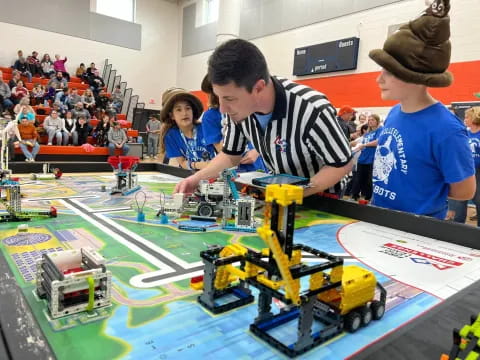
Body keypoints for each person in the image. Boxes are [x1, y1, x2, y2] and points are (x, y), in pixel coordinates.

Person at [175, 39, 352, 196]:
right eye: (219, 97)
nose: (222, 108)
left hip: (324, 198)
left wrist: (297, 193)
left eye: (229, 98)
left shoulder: (312, 109)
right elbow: (231, 155)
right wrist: (196, 179)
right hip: (278, 193)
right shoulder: (237, 110)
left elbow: (342, 164)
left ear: (258, 88)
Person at [368, 0, 475, 219]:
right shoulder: (395, 113)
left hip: (415, 228)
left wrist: (424, 193)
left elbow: (465, 190)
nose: (379, 79)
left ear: (416, 76)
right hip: (378, 217)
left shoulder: (447, 129)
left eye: (389, 72)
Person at [200, 74, 266, 172]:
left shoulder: (247, 107)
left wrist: (256, 152)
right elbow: (221, 149)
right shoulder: (210, 116)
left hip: (259, 166)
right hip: (235, 170)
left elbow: (264, 137)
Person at [159, 88, 215, 170]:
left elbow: (223, 152)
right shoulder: (170, 135)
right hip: (192, 175)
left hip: (216, 172)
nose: (184, 113)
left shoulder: (206, 128)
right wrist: (199, 165)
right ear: (172, 116)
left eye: (188, 108)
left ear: (193, 111)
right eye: (179, 110)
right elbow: (182, 163)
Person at [447, 107, 480, 226]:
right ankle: (457, 229)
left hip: (478, 173)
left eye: (467, 117)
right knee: (459, 204)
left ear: (475, 118)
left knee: (478, 201)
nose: (464, 119)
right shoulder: (464, 132)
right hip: (464, 171)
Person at [351, 114, 382, 201]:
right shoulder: (367, 133)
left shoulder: (380, 130)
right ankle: (354, 196)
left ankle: (368, 198)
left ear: (377, 121)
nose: (370, 121)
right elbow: (360, 144)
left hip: (372, 159)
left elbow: (378, 141)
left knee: (369, 181)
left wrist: (365, 145)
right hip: (362, 158)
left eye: (372, 120)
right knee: (358, 179)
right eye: (369, 120)